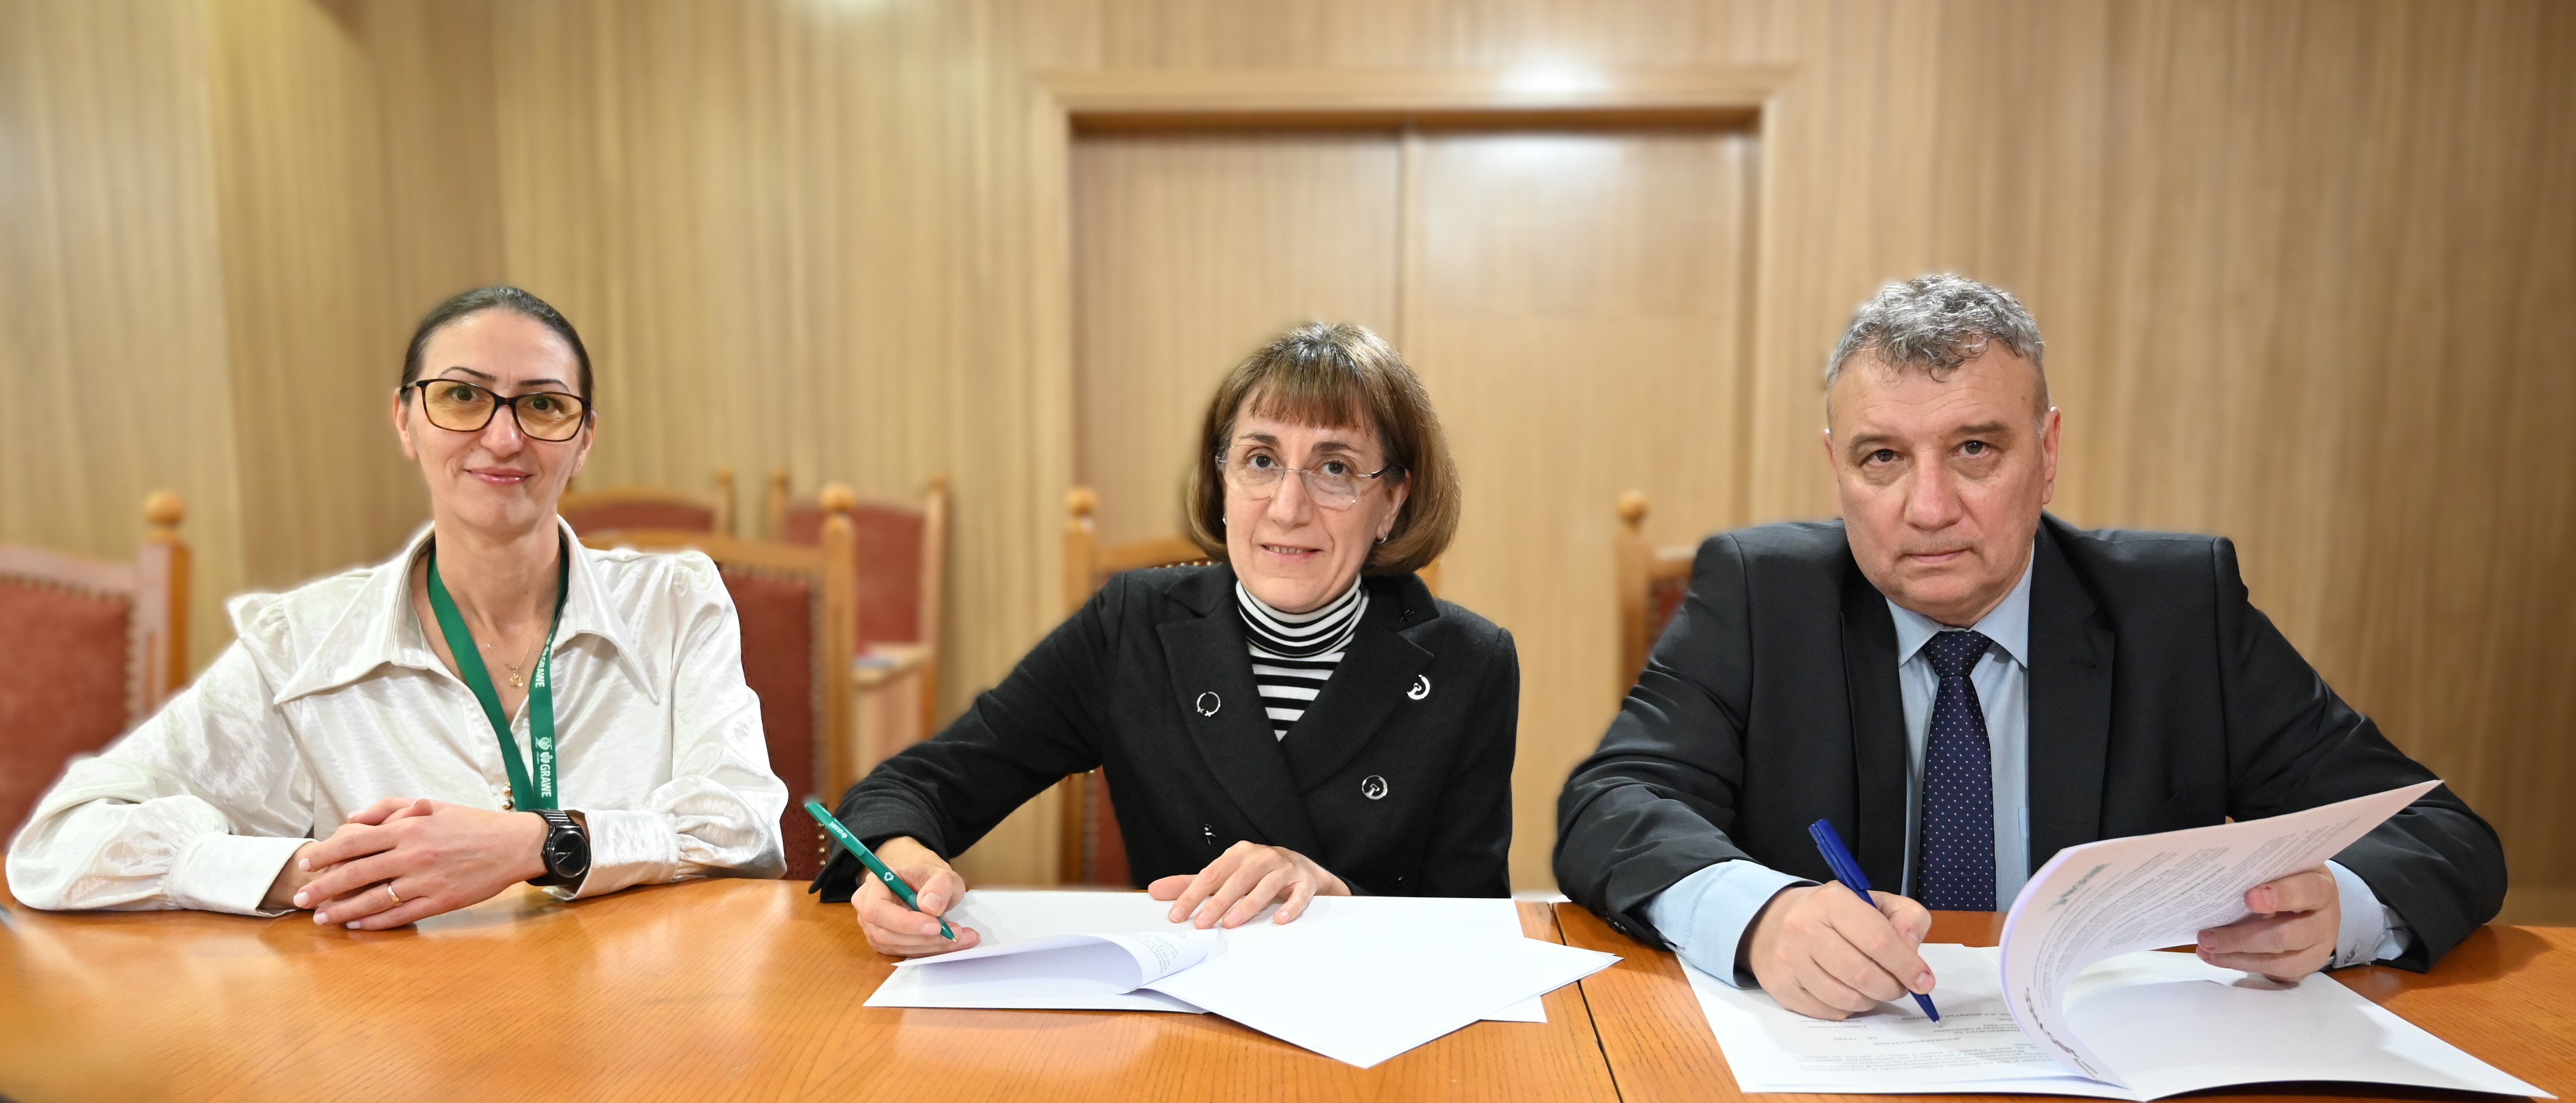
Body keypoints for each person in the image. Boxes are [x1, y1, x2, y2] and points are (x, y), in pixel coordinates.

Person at [1554, 274, 2505, 1020]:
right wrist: (1764, 917)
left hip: (2109, 1061)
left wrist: (2339, 909)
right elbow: (1610, 806)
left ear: (2047, 454)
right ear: (1836, 468)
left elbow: (2439, 832)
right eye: (1883, 457)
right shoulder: (1761, 595)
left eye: (1975, 449)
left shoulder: (2180, 608)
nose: (1929, 508)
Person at [6, 286, 787, 926]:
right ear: (405, 420)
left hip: (644, 1018)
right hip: (404, 1030)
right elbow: (58, 844)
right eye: (462, 396)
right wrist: (310, 871)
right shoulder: (304, 644)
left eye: (544, 405)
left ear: (585, 438)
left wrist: (536, 844)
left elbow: (744, 826)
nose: (503, 437)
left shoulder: (675, 603)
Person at [822, 322, 1516, 957]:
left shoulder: (1471, 662)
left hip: (1371, 1018)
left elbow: (1476, 932)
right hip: (1180, 1011)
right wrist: (900, 854)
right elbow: (918, 784)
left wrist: (1338, 902)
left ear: (1392, 500)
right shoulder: (1134, 625)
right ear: (1221, 479)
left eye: (1334, 467)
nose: (1287, 507)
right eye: (1261, 460)